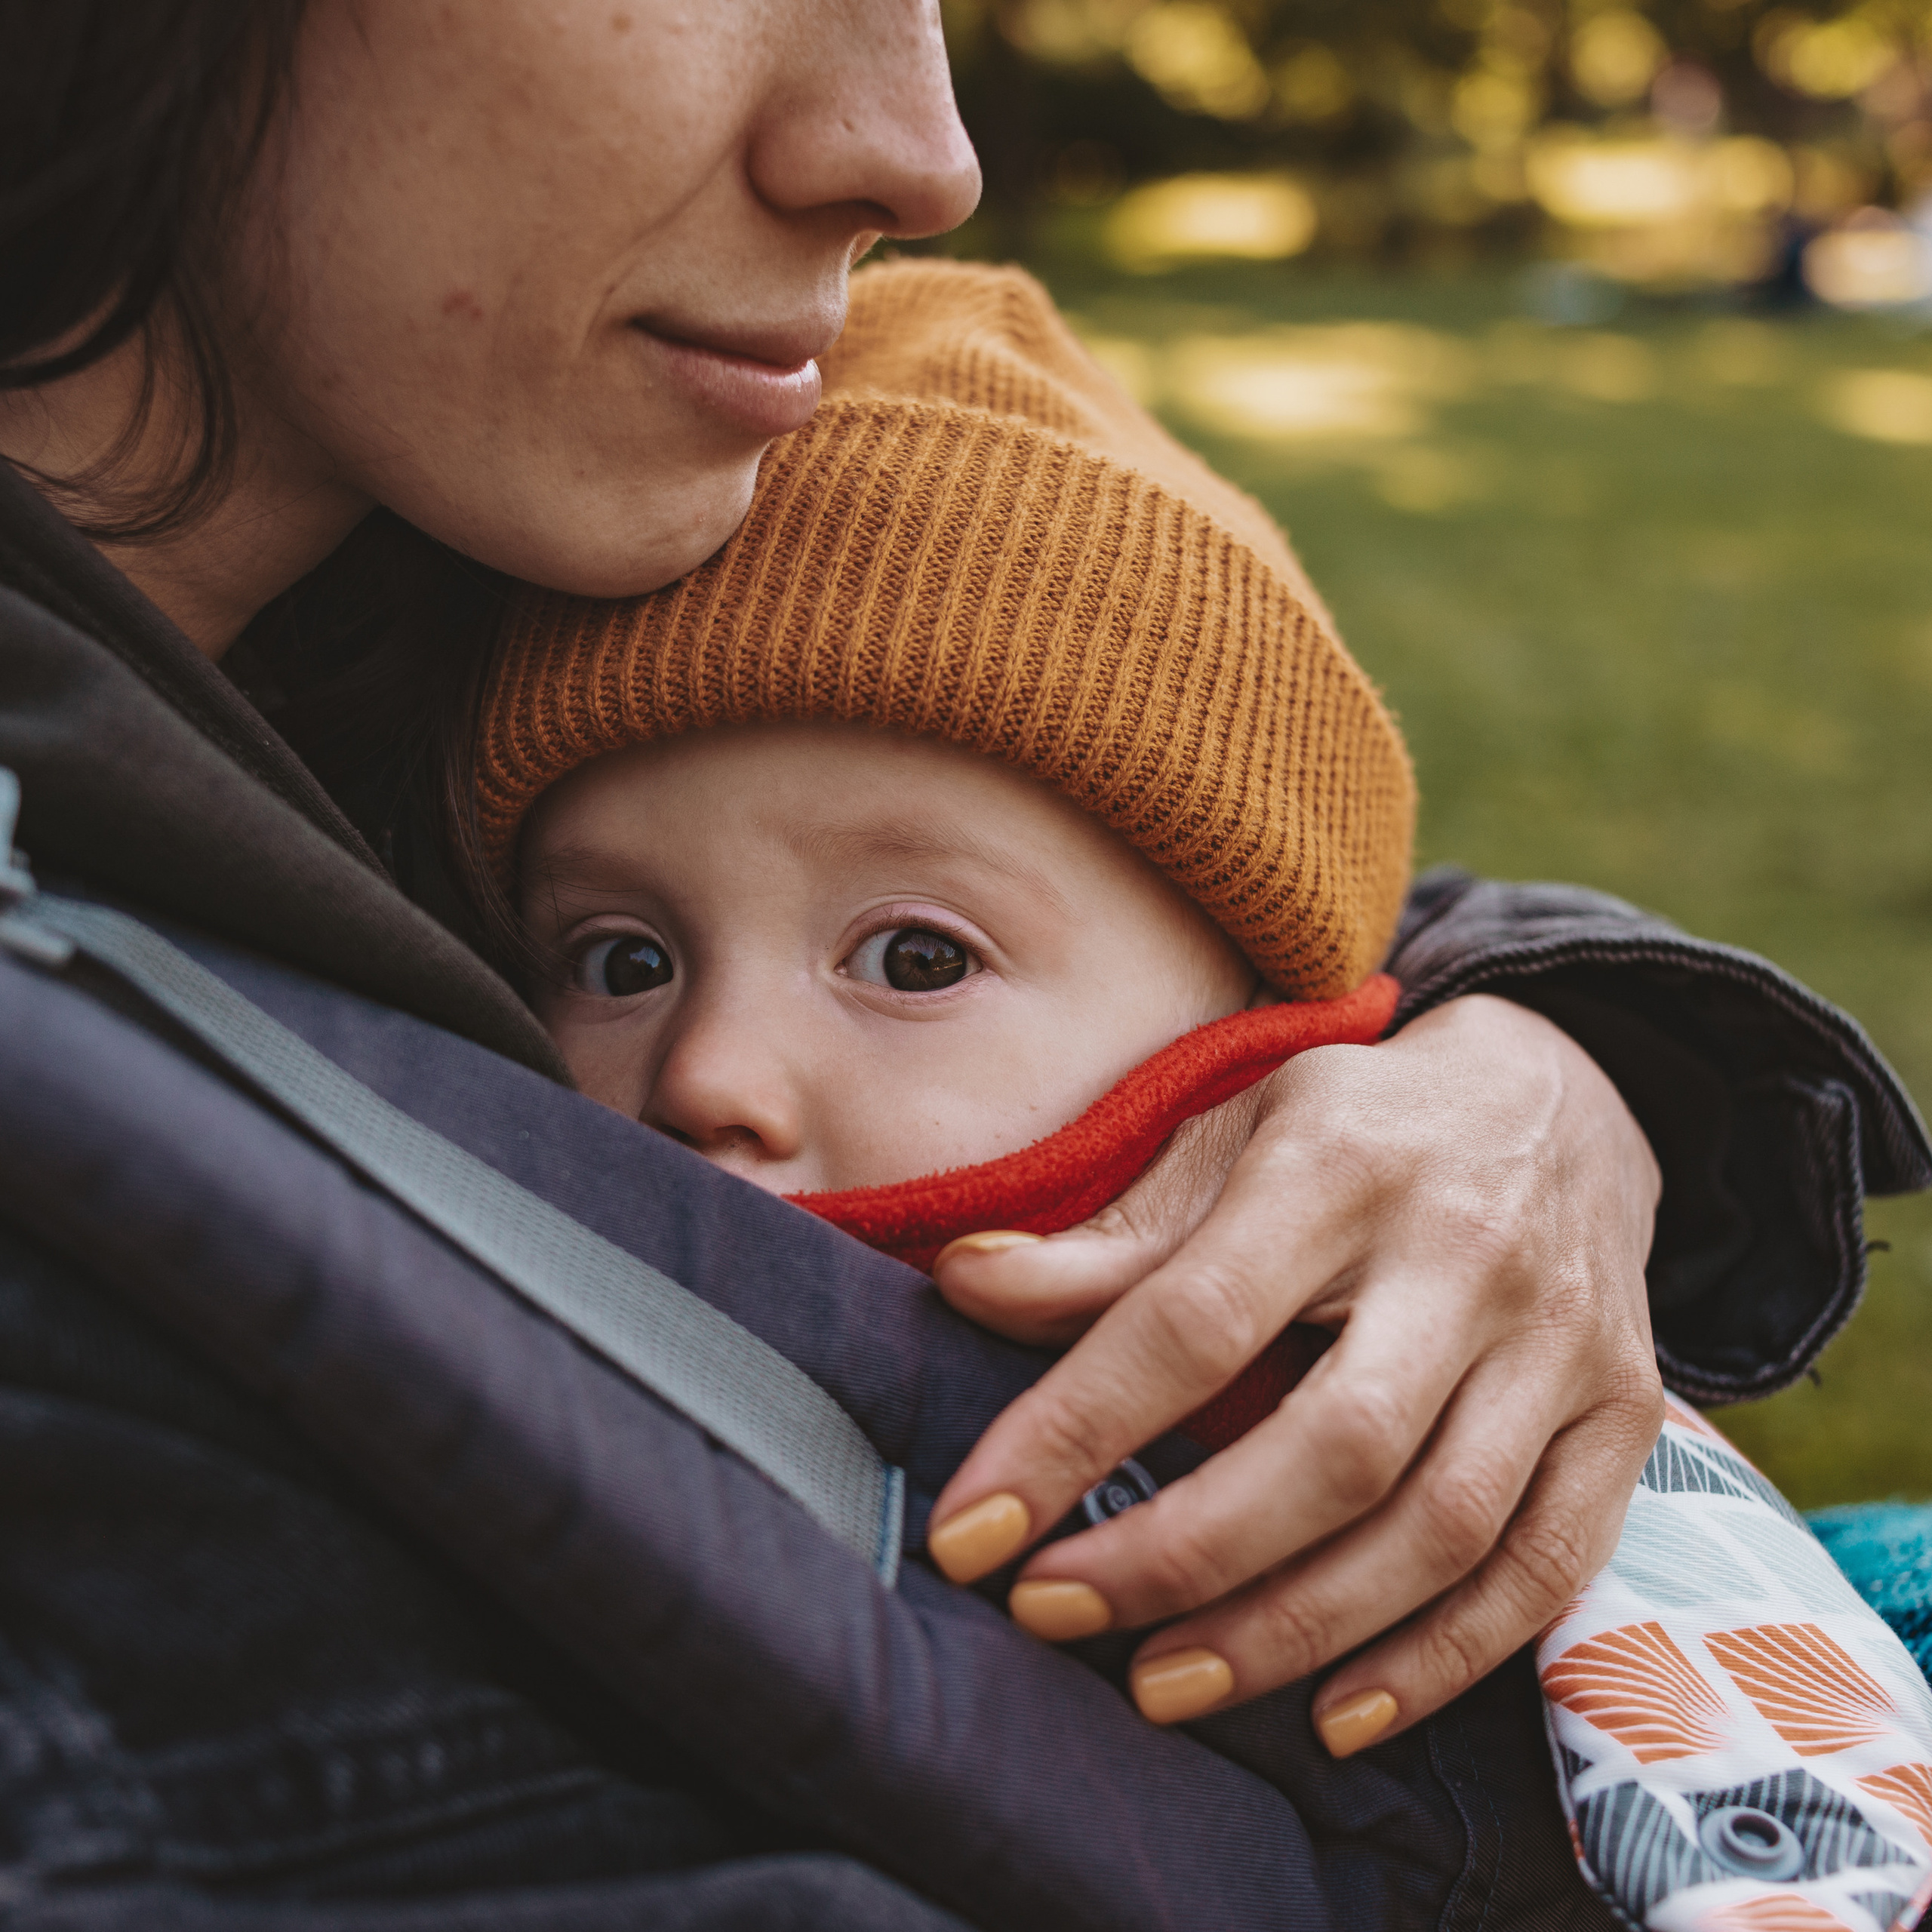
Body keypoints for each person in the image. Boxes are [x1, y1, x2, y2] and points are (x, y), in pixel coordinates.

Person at [1, 4, 1926, 1925]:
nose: (920, 156)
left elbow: (1166, 839)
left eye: (910, 953)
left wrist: (1537, 1060)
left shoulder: (452, 559)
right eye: (622, 956)